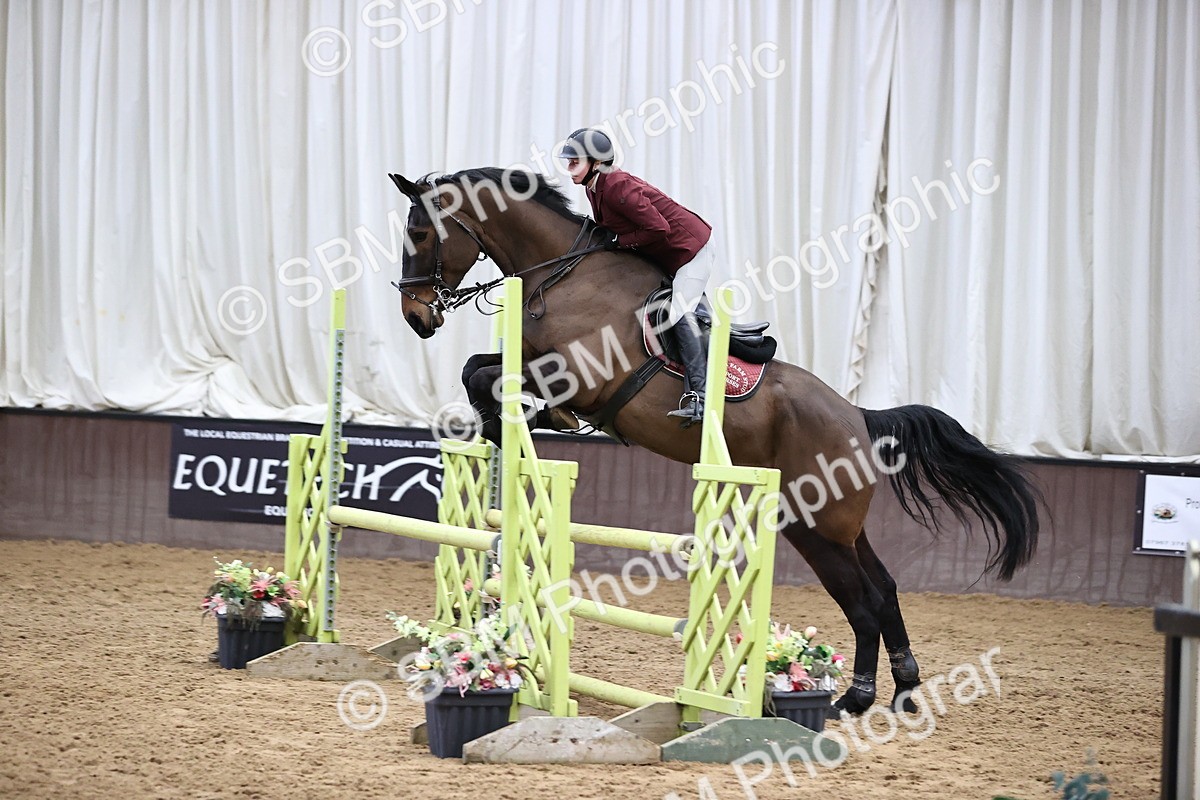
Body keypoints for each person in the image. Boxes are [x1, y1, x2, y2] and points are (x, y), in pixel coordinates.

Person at [557, 127, 715, 427]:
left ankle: (700, 397)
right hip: (666, 249)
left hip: (691, 250)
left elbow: (658, 229)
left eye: (574, 161)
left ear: (596, 162)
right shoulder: (594, 186)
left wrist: (618, 243)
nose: (569, 168)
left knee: (680, 311)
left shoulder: (616, 187)